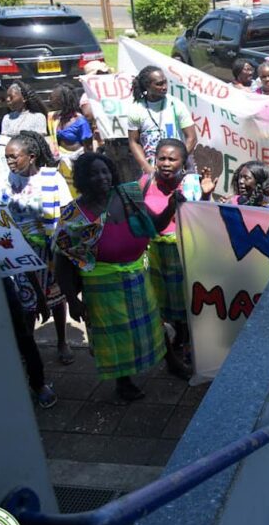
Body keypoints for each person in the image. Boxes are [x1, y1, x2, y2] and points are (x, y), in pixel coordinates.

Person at [53, 153, 183, 401]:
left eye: (105, 171)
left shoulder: (127, 195)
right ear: (82, 179)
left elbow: (153, 225)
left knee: (154, 324)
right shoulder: (75, 213)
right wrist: (72, 299)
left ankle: (173, 363)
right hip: (102, 285)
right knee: (114, 336)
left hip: (137, 276)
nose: (102, 177)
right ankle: (123, 383)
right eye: (93, 173)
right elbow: (63, 260)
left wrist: (171, 207)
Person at [1, 131, 75, 364]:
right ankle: (29, 347)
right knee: (27, 301)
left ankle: (62, 341)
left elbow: (66, 214)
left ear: (31, 156)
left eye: (14, 157)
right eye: (7, 158)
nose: (10, 162)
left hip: (51, 251)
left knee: (56, 297)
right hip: (21, 254)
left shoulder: (52, 179)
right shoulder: (9, 182)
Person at [0, 181, 56, 408]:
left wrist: (41, 298)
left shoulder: (1, 224)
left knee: (25, 339)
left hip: (6, 291)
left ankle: (38, 384)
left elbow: (23, 259)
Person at [140, 139, 208, 378]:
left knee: (187, 305)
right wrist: (170, 208)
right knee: (158, 306)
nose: (166, 163)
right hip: (154, 255)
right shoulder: (145, 182)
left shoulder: (192, 185)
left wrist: (206, 197)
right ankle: (171, 357)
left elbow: (203, 221)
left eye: (172, 159)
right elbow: (150, 224)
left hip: (184, 253)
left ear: (183, 162)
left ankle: (189, 348)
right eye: (162, 158)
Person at [126, 66, 197, 174]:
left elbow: (191, 138)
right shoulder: (137, 109)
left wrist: (179, 161)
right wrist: (146, 167)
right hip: (152, 169)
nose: (164, 87)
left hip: (180, 169)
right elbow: (134, 142)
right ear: (147, 86)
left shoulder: (175, 105)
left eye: (165, 82)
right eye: (159, 84)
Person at [47, 84, 94, 194]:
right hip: (62, 162)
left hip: (77, 161)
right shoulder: (54, 118)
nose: (50, 101)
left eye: (53, 98)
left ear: (62, 101)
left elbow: (89, 147)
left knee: (78, 190)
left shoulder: (80, 121)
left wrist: (87, 167)